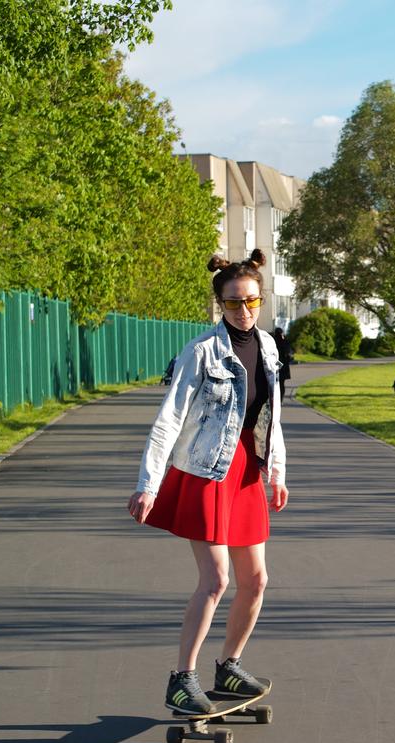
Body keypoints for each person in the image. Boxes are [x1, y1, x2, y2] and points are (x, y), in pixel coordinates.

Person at [128, 249, 288, 715]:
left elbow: (271, 417)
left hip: (246, 472)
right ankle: (182, 678)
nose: (245, 311)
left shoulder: (270, 347)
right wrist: (148, 484)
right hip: (204, 472)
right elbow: (169, 419)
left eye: (253, 302)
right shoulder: (200, 352)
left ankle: (229, 666)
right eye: (235, 303)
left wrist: (276, 471)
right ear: (220, 303)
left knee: (255, 580)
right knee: (216, 579)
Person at [272, 326, 293, 400]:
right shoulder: (285, 342)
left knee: (274, 383)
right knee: (281, 384)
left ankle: (276, 398)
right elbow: (289, 354)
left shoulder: (273, 342)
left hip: (275, 365)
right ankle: (280, 399)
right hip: (283, 366)